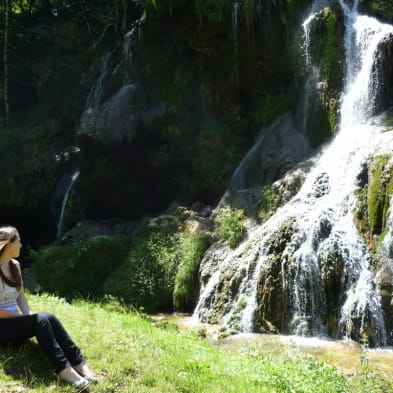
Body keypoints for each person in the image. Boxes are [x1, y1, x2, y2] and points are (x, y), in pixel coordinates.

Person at [0, 225, 97, 388]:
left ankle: (80, 364)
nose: (21, 245)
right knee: (41, 320)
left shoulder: (14, 265)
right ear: (9, 245)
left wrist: (28, 313)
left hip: (15, 323)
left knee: (47, 317)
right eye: (19, 241)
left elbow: (21, 297)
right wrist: (24, 318)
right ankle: (64, 369)